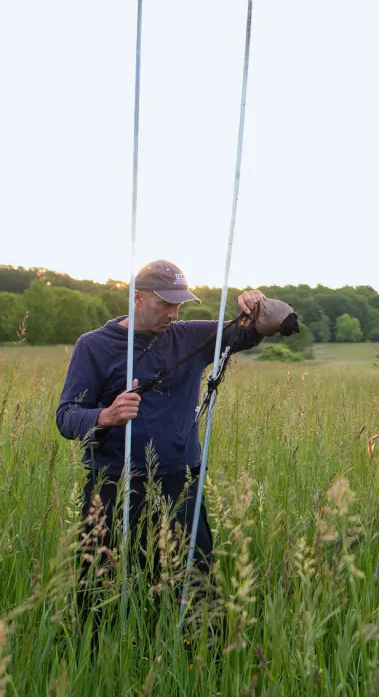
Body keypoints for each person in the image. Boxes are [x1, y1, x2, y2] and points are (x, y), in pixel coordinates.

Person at [56, 260, 294, 610]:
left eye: (179, 304)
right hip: (112, 483)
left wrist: (258, 303)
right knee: (98, 583)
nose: (174, 312)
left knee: (196, 581)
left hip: (179, 482)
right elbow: (66, 416)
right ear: (137, 299)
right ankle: (96, 654)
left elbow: (262, 327)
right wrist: (104, 416)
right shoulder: (94, 346)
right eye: (165, 303)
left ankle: (203, 657)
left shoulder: (192, 337)